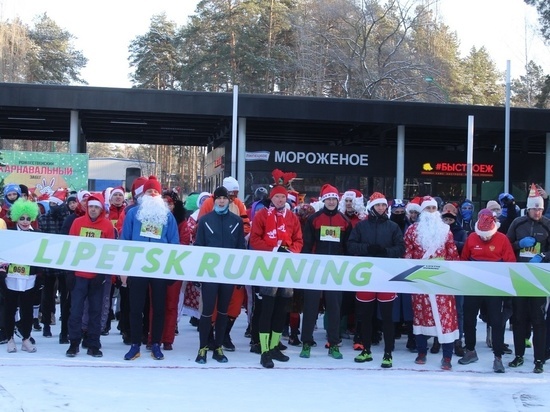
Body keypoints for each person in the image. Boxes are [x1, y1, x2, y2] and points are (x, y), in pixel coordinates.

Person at [121, 176, 180, 361]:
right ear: (143, 194)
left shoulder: (167, 216)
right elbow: (125, 241)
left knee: (159, 307)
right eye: (149, 191)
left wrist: (171, 269)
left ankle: (156, 343)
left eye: (155, 191)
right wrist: (124, 270)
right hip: (137, 267)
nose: (152, 194)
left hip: (159, 268)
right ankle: (135, 344)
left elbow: (174, 243)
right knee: (136, 307)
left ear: (159, 194)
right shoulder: (133, 213)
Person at [249, 180, 303, 368]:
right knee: (268, 307)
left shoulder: (292, 217)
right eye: (277, 197)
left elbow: (299, 240)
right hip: (268, 266)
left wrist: (290, 251)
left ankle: (274, 347)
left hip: (286, 267)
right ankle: (264, 350)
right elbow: (254, 239)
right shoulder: (262, 215)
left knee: (282, 309)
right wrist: (273, 249)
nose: (280, 200)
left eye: (282, 197)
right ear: (272, 198)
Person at [347, 192, 405, 368]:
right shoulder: (361, 226)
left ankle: (388, 353)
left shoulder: (393, 226)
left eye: (383, 206)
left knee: (387, 317)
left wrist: (385, 252)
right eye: (377, 205)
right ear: (371, 207)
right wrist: (368, 248)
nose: (381, 208)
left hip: (386, 276)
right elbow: (350, 245)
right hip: (365, 276)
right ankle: (366, 350)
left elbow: (401, 248)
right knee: (365, 316)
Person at [403, 196, 460, 370]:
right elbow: (408, 253)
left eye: (433, 209)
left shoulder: (445, 230)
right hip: (421, 278)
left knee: (445, 316)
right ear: (422, 211)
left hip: (442, 279)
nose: (431, 212)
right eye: (427, 209)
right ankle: (422, 351)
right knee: (421, 316)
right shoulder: (412, 230)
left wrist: (452, 275)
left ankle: (447, 356)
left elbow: (452, 253)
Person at [299, 184, 352, 360]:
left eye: (334, 199)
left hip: (335, 271)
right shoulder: (314, 219)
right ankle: (306, 342)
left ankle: (334, 344)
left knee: (334, 308)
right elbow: (306, 245)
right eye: (328, 199)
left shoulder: (344, 221)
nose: (331, 202)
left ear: (338, 201)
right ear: (323, 200)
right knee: (311, 307)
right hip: (315, 269)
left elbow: (347, 248)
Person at [458, 209, 516, 373]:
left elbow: (511, 263)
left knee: (496, 322)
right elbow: (463, 260)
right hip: (473, 286)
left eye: (487, 235)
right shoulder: (471, 238)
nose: (484, 238)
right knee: (469, 319)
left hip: (494, 287)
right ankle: (470, 350)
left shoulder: (502, 239)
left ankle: (497, 356)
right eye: (482, 235)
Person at [194, 186, 246, 364]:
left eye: (225, 198)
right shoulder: (205, 220)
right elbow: (199, 247)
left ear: (229, 201)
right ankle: (202, 348)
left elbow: (241, 249)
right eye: (218, 198)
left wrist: (239, 275)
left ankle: (218, 347)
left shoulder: (237, 221)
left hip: (228, 274)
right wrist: (197, 275)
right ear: (214, 200)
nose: (222, 201)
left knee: (223, 311)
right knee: (207, 312)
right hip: (209, 274)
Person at [506, 184, 550, 374]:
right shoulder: (518, 223)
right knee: (519, 318)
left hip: (539, 277)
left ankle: (539, 359)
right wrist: (518, 244)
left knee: (538, 319)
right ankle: (519, 355)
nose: (538, 212)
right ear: (528, 209)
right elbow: (506, 245)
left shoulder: (547, 224)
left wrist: (543, 256)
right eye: (535, 209)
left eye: (540, 209)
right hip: (519, 276)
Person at [66, 193, 115, 358]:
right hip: (79, 275)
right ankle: (74, 343)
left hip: (97, 277)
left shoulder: (107, 226)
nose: (93, 210)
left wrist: (102, 274)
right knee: (76, 311)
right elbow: (70, 248)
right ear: (87, 208)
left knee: (96, 311)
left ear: (101, 209)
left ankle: (94, 344)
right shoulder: (77, 223)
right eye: (91, 207)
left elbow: (110, 252)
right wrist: (70, 273)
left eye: (96, 207)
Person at [1, 199, 41, 353]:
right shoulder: (8, 235)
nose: (25, 222)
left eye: (28, 218)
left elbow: (40, 257)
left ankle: (25, 338)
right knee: (10, 309)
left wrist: (40, 276)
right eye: (22, 218)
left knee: (27, 310)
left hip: (29, 279)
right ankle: (10, 338)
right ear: (16, 218)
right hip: (11, 277)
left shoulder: (36, 235)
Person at [441, 202, 467, 356]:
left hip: (456, 272)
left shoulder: (461, 231)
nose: (448, 222)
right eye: (446, 219)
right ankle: (439, 340)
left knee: (458, 309)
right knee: (441, 307)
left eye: (451, 220)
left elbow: (465, 246)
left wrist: (450, 242)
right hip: (440, 272)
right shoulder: (436, 231)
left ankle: (458, 340)